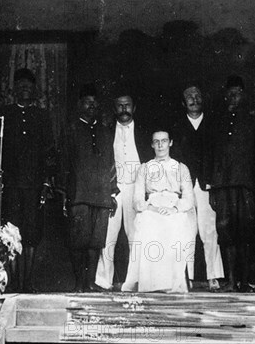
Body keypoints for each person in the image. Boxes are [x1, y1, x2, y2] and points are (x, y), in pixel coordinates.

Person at [0, 68, 55, 293]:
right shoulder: (5, 114)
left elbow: (50, 150)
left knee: (31, 233)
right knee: (11, 232)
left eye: (28, 87)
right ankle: (13, 282)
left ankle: (27, 282)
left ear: (34, 90)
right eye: (20, 87)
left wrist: (47, 180)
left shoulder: (42, 116)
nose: (24, 91)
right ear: (14, 90)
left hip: (34, 185)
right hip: (10, 185)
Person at [208, 75, 255, 292]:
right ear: (225, 96)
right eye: (230, 93)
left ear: (243, 95)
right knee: (226, 233)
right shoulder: (216, 121)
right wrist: (210, 186)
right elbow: (211, 154)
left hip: (246, 185)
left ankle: (244, 281)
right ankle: (231, 280)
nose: (234, 97)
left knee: (246, 233)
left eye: (238, 93)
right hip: (222, 185)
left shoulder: (252, 120)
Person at [60, 83, 119, 292]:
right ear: (79, 105)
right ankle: (79, 284)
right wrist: (65, 194)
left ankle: (91, 283)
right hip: (79, 195)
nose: (92, 106)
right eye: (87, 102)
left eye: (95, 103)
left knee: (96, 243)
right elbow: (64, 164)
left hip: (102, 195)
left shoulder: (105, 132)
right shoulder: (71, 130)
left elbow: (111, 163)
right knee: (78, 242)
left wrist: (112, 192)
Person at [122, 129, 195, 293]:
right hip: (152, 207)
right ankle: (150, 283)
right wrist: (153, 208)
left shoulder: (181, 168)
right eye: (156, 141)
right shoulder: (144, 168)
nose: (160, 145)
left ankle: (173, 283)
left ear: (171, 143)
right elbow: (137, 201)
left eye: (164, 141)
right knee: (146, 221)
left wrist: (174, 209)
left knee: (177, 223)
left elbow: (189, 198)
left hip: (174, 207)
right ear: (152, 144)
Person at [95, 93, 151, 291]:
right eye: (119, 106)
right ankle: (104, 281)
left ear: (134, 108)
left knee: (136, 236)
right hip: (114, 189)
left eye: (127, 105)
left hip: (137, 189)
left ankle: (135, 281)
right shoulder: (106, 132)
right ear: (114, 109)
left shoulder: (144, 132)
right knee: (108, 235)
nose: (124, 109)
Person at [172, 84, 224, 291]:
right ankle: (188, 277)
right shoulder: (177, 126)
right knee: (186, 232)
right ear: (183, 103)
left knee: (209, 231)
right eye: (189, 97)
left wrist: (213, 183)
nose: (194, 99)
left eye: (197, 95)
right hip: (184, 187)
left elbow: (219, 157)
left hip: (206, 185)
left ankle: (213, 276)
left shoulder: (213, 124)